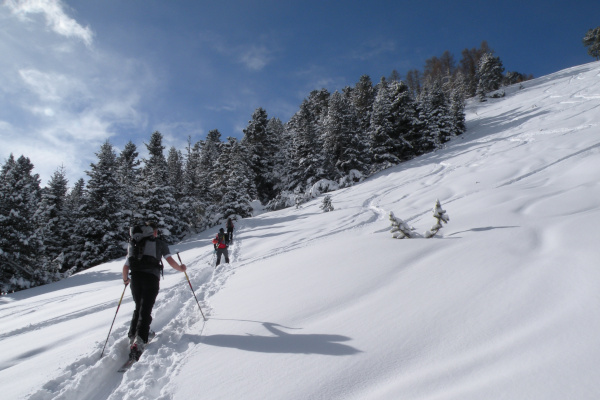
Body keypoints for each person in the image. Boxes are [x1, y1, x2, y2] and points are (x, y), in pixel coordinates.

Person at [122, 221, 187, 360]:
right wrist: (181, 269)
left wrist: (125, 280)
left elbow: (125, 267)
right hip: (151, 278)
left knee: (138, 306)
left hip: (135, 279)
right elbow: (169, 260)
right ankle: (140, 340)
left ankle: (132, 335)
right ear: (154, 232)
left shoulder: (134, 243)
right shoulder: (158, 243)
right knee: (146, 308)